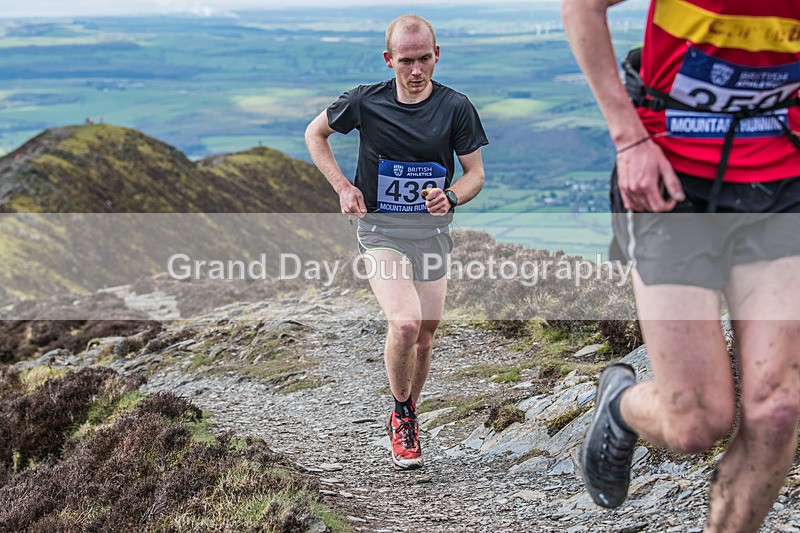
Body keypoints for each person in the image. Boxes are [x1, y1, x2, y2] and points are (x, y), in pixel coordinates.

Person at [562, 0, 800, 530]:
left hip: (782, 175)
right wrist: (630, 140)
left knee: (776, 411)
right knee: (696, 420)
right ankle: (622, 404)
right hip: (672, 180)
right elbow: (581, 7)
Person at [305, 14, 488, 470]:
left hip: (431, 234)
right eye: (406, 60)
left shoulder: (456, 107)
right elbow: (315, 134)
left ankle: (408, 408)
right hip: (380, 231)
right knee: (404, 323)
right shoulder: (366, 102)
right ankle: (402, 416)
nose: (416, 70)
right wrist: (344, 188)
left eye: (425, 58)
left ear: (437, 54)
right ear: (389, 59)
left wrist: (449, 196)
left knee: (425, 335)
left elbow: (475, 175)